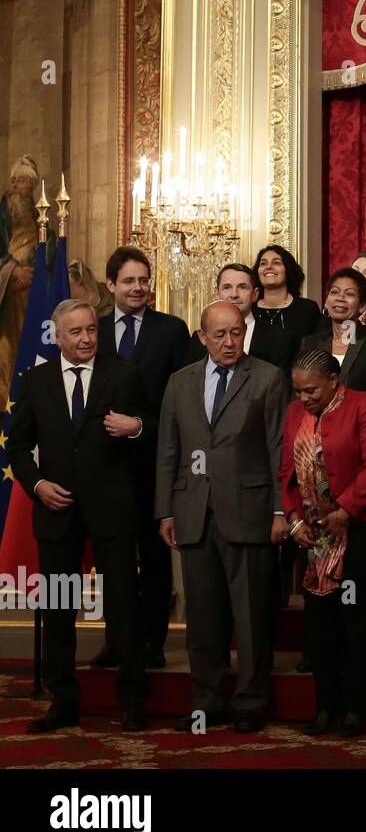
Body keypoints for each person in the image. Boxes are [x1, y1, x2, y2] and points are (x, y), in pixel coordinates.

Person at [9, 299, 151, 733]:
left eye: (92, 329)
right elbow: (17, 447)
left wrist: (138, 426)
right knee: (58, 610)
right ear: (58, 337)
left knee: (124, 609)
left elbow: (156, 430)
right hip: (57, 511)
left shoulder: (123, 373)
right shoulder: (35, 381)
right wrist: (36, 486)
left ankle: (132, 703)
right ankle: (63, 702)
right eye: (77, 332)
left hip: (113, 511)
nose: (87, 338)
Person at [157, 300, 290, 734]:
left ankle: (251, 702)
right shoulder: (179, 383)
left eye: (236, 332)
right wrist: (165, 511)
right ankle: (206, 703)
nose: (230, 342)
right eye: (220, 335)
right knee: (203, 617)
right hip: (194, 513)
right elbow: (169, 452)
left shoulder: (269, 378)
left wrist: (278, 510)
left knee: (251, 616)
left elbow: (278, 450)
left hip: (250, 513)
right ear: (202, 338)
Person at [279, 348, 366, 738]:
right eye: (297, 391)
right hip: (314, 537)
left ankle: (356, 709)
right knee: (320, 627)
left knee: (356, 622)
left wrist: (346, 509)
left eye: (310, 390)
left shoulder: (365, 405)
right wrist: (292, 521)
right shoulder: (295, 414)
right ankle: (325, 708)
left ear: (333, 381)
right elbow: (286, 473)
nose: (302, 398)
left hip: (357, 531)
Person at [95, 246, 190, 670]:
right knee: (113, 561)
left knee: (154, 559)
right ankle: (116, 642)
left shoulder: (172, 330)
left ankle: (151, 643)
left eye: (144, 280)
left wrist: (140, 428)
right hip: (106, 467)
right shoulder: (91, 331)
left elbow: (182, 401)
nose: (138, 288)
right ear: (111, 284)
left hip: (154, 462)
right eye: (129, 281)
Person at [299, 268, 366, 408]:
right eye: (335, 292)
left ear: (362, 306)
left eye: (349, 294)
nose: (340, 298)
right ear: (326, 302)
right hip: (314, 426)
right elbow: (300, 394)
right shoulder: (310, 343)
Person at [185, 263, 294, 372]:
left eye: (242, 287)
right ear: (217, 294)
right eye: (227, 287)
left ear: (255, 294)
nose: (234, 294)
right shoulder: (199, 339)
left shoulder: (279, 339)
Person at [0, 156, 40, 408]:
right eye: (13, 180)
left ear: (33, 187)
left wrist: (32, 275)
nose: (15, 186)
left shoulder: (41, 221)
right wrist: (13, 271)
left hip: (28, 305)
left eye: (22, 180)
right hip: (5, 306)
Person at [254, 245, 323, 360]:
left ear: (288, 269)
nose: (269, 267)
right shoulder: (250, 309)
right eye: (263, 263)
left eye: (276, 263)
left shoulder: (307, 309)